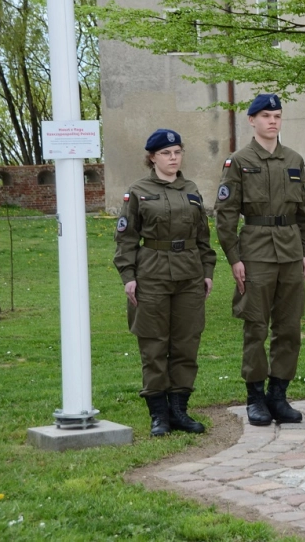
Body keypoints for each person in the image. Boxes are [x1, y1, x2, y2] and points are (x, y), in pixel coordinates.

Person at [215, 94, 305, 426]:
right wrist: (234, 258)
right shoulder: (239, 161)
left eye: (277, 116)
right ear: (252, 120)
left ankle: (278, 395)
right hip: (256, 252)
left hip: (290, 253)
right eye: (265, 116)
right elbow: (225, 215)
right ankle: (255, 398)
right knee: (256, 327)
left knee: (289, 327)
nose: (272, 121)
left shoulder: (294, 159)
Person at [114, 129, 216, 437]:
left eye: (177, 152)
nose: (173, 158)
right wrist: (128, 277)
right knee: (153, 344)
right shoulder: (139, 191)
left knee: (186, 343)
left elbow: (203, 237)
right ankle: (158, 415)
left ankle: (179, 411)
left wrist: (207, 271)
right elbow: (126, 238)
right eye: (166, 153)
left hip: (189, 275)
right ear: (152, 158)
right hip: (152, 275)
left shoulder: (191, 189)